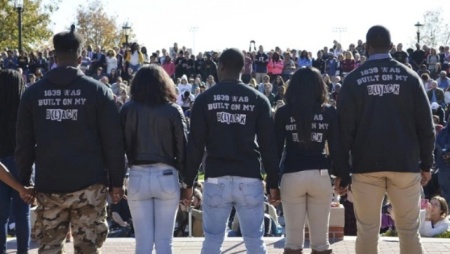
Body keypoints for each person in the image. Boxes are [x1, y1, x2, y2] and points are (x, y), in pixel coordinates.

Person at [15, 25, 126, 254]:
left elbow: (24, 144)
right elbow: (113, 143)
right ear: (81, 56)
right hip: (89, 186)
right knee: (88, 249)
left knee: (49, 249)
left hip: (49, 185)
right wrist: (116, 182)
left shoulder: (33, 93)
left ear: (54, 55)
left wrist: (24, 181)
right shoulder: (98, 91)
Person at [338, 25, 435, 254]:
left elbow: (343, 131)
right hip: (405, 164)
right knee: (409, 230)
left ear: (366, 46)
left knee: (368, 230)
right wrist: (426, 164)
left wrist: (342, 171)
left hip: (366, 166)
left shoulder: (353, 80)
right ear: (392, 47)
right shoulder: (411, 78)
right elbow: (426, 126)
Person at [183, 48, 280, 254]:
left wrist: (188, 182)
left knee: (212, 241)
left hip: (217, 177)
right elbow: (268, 146)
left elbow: (195, 145)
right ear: (243, 68)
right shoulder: (258, 100)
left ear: (221, 67)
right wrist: (273, 182)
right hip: (249, 177)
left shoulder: (204, 99)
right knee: (255, 242)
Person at [275, 67, 349, 254]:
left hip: (291, 175)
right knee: (321, 242)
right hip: (320, 175)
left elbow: (275, 150)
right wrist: (343, 176)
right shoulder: (329, 112)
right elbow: (337, 148)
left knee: (292, 241)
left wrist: (272, 183)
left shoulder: (283, 112)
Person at [120, 64, 188, 253]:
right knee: (165, 242)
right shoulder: (173, 110)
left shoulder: (127, 110)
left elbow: (118, 148)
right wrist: (187, 183)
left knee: (142, 242)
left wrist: (117, 181)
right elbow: (182, 147)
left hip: (137, 175)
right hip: (166, 175)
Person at [0, 69, 31, 254]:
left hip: (1, 164)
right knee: (23, 213)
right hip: (22, 163)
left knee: (1, 216)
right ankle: (23, 251)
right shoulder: (25, 109)